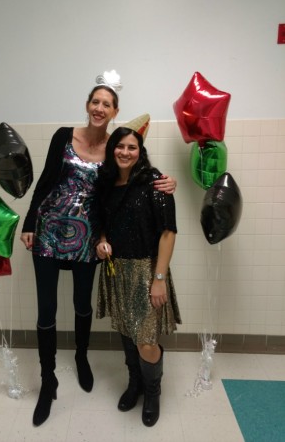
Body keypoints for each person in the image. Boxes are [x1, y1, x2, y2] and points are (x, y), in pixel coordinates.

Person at [20, 71, 177, 427]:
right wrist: (30, 223)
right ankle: (48, 381)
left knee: (81, 303)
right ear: (87, 105)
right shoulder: (63, 136)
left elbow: (127, 179)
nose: (99, 108)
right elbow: (45, 179)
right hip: (47, 232)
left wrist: (166, 180)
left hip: (89, 239)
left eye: (107, 104)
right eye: (95, 102)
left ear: (115, 110)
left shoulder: (115, 146)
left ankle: (80, 358)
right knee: (46, 309)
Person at [96, 116, 181, 427]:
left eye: (132, 147)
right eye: (119, 145)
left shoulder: (154, 182)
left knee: (146, 339)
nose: (125, 151)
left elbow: (168, 233)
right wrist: (102, 242)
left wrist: (158, 279)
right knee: (128, 333)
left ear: (140, 150)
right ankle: (135, 384)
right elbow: (102, 227)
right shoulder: (105, 185)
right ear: (111, 149)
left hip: (147, 270)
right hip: (116, 271)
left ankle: (153, 390)